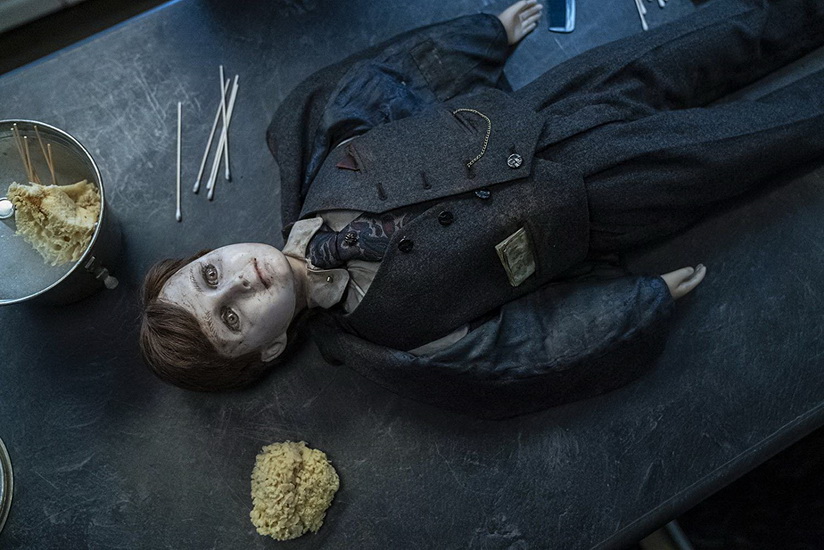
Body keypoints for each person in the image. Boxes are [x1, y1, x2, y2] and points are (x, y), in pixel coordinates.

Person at [141, 0, 824, 418]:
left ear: (211, 252)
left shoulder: (323, 158)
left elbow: (386, 84)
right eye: (232, 317)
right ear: (269, 349)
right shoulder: (398, 335)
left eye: (212, 274)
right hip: (604, 202)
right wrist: (634, 305)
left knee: (707, 40)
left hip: (552, 104)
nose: (241, 281)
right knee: (755, 138)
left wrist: (485, 34)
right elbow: (526, 348)